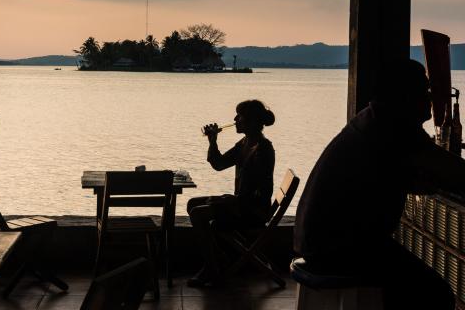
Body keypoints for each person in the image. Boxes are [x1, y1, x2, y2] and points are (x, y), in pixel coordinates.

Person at [294, 59, 465, 309]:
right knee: (436, 294)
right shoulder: (394, 124)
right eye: (423, 90)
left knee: (410, 287)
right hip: (340, 248)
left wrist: (407, 181)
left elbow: (371, 173)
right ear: (403, 95)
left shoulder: (371, 119)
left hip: (316, 241)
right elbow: (455, 172)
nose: (429, 97)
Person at [187, 99, 276, 287]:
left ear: (251, 121)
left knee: (197, 213)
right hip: (241, 204)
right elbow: (219, 164)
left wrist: (230, 201)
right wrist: (213, 141)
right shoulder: (245, 143)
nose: (235, 119)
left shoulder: (263, 149)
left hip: (252, 211)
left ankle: (212, 267)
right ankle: (218, 259)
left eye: (240, 116)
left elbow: (261, 193)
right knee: (192, 203)